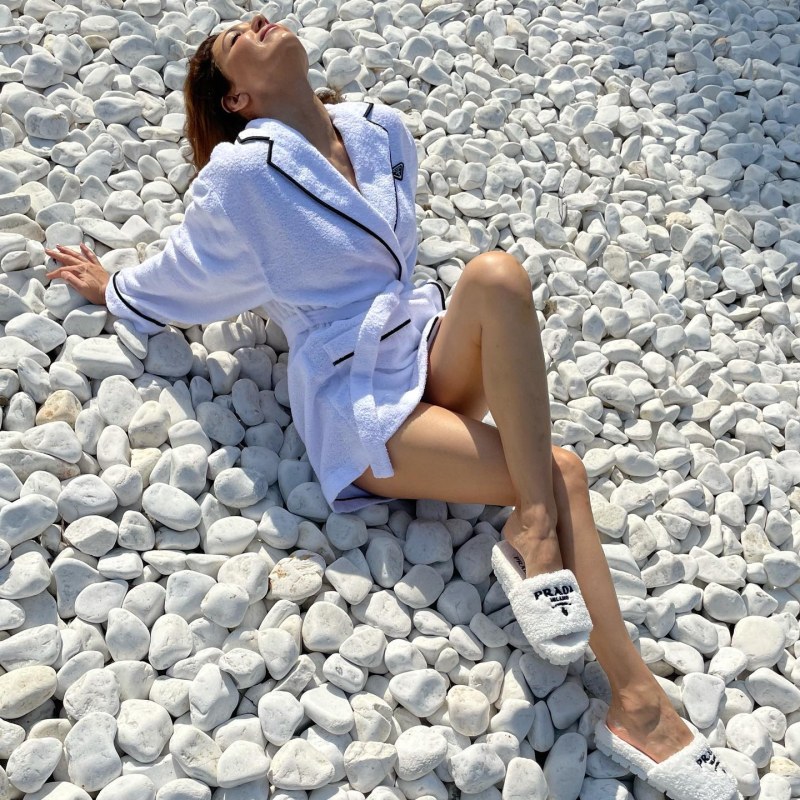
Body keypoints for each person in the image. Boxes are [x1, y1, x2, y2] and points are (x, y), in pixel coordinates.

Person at [45, 15, 739, 800]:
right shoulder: (242, 178)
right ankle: (637, 704)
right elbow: (189, 274)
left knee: (497, 274)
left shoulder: (380, 130)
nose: (256, 20)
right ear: (236, 98)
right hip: (358, 400)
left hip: (415, 342)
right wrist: (117, 288)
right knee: (559, 471)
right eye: (236, 38)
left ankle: (532, 530)